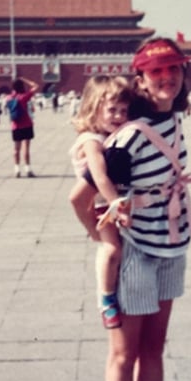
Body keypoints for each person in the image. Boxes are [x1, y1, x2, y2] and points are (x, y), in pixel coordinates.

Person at [102, 37, 191, 381]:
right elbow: (83, 199)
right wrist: (110, 250)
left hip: (171, 247)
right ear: (140, 79)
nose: (167, 78)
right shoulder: (129, 136)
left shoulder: (174, 119)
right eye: (156, 72)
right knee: (124, 356)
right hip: (137, 252)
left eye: (173, 70)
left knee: (155, 352)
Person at [68, 75, 135, 330]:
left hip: (107, 202)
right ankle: (106, 300)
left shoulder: (104, 136)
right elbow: (99, 176)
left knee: (118, 250)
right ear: (95, 108)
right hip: (102, 204)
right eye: (112, 110)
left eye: (123, 111)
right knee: (112, 249)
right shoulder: (91, 142)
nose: (118, 116)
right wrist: (115, 204)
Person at [7, 77, 39, 177]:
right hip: (26, 124)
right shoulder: (24, 97)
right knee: (26, 148)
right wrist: (25, 80)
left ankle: (16, 169)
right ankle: (28, 169)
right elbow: (36, 86)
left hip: (15, 125)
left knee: (16, 149)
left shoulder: (9, 98)